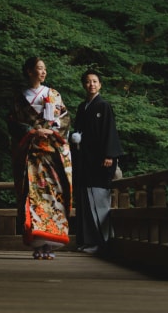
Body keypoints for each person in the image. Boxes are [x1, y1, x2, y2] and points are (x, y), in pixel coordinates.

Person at [7, 56, 73, 259]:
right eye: (39, 68)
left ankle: (51, 244)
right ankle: (37, 244)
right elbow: (12, 122)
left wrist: (51, 132)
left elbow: (64, 119)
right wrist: (32, 131)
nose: (43, 72)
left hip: (51, 154)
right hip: (31, 154)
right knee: (33, 196)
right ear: (29, 71)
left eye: (45, 69)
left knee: (54, 195)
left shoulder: (53, 94)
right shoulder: (20, 97)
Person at [70, 68, 123, 254]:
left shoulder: (103, 106)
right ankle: (87, 240)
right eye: (87, 81)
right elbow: (78, 130)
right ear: (84, 85)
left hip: (101, 161)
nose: (91, 84)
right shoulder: (82, 107)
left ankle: (102, 243)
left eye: (94, 81)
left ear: (99, 84)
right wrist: (74, 137)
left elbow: (109, 132)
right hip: (85, 161)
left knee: (98, 201)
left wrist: (110, 155)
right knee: (85, 202)